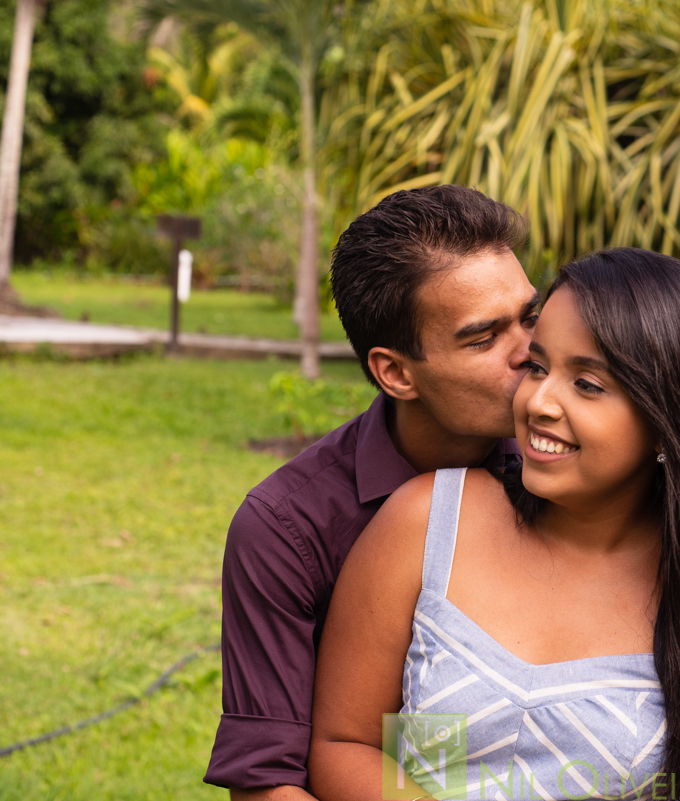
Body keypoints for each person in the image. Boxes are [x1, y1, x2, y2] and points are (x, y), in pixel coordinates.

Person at [309, 249, 680, 800]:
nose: (539, 402)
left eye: (589, 385)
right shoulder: (428, 523)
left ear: (669, 421)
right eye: (538, 367)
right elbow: (344, 743)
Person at [204, 185, 540, 800]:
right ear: (396, 372)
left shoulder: (570, 473)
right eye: (483, 338)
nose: (529, 354)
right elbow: (266, 783)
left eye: (530, 318)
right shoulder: (287, 529)